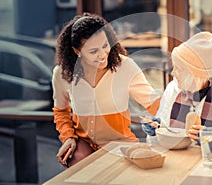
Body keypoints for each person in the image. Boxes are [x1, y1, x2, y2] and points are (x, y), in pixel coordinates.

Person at [52, 12, 161, 167]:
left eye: (105, 45)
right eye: (93, 51)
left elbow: (153, 101)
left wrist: (175, 117)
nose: (103, 54)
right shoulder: (62, 74)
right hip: (84, 142)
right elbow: (61, 111)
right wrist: (68, 137)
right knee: (77, 164)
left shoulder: (125, 67)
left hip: (120, 141)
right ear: (77, 52)